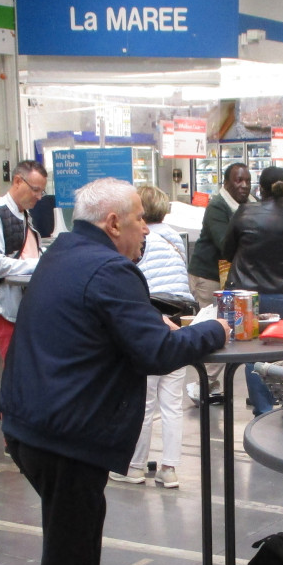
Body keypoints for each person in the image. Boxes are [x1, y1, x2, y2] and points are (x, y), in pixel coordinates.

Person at [2, 177, 228, 565]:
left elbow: (100, 323)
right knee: (69, 548)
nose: (145, 229)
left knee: (81, 532)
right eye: (138, 220)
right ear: (113, 224)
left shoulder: (67, 252)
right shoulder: (111, 267)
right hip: (64, 433)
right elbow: (155, 355)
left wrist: (151, 322)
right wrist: (214, 328)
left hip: (36, 421)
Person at [111, 185, 194, 488]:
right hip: (180, 321)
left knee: (143, 401)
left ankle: (133, 465)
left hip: (151, 323)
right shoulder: (176, 240)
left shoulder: (139, 242)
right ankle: (169, 468)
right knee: (172, 404)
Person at [221, 165, 283, 415]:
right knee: (281, 354)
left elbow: (227, 250)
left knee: (252, 355)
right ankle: (282, 408)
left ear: (259, 188)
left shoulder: (245, 212)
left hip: (247, 296)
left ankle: (262, 411)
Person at [186, 162, 250, 403]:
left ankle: (208, 384)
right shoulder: (218, 207)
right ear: (226, 183)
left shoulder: (246, 205)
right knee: (218, 329)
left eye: (247, 180)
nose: (244, 185)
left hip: (227, 279)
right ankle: (202, 383)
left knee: (226, 329)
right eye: (238, 180)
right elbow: (225, 244)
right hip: (208, 277)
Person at [0, 159, 46, 365]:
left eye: (41, 191)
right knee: (16, 371)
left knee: (30, 368)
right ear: (17, 181)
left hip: (26, 307)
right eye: (35, 189)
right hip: (6, 309)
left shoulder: (25, 215)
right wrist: (40, 265)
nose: (39, 196)